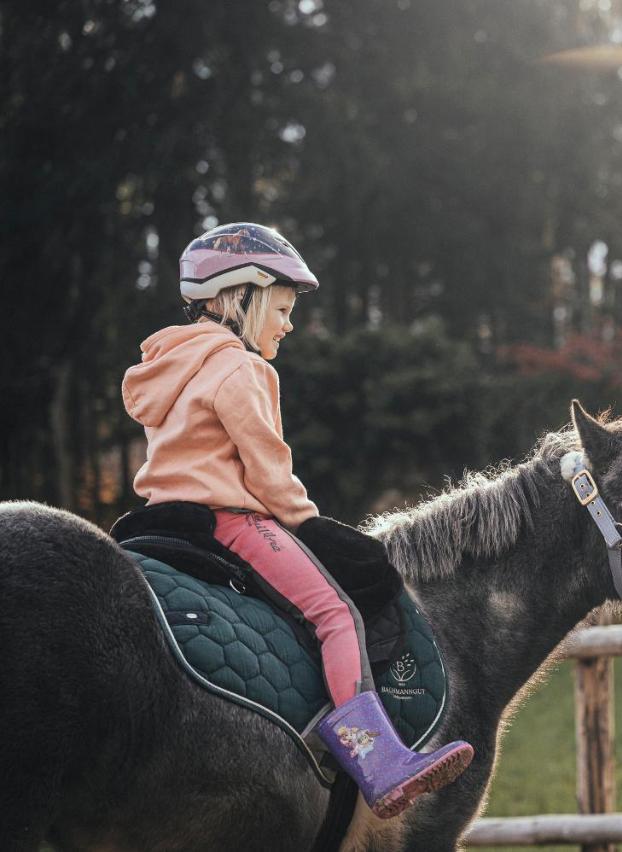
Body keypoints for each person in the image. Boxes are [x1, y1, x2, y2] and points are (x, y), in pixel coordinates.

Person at [122, 222, 473, 819]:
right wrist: (312, 526)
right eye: (282, 308)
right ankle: (378, 762)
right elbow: (268, 474)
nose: (288, 323)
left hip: (159, 520)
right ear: (246, 294)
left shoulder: (169, 366)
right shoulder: (243, 369)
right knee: (336, 614)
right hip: (229, 519)